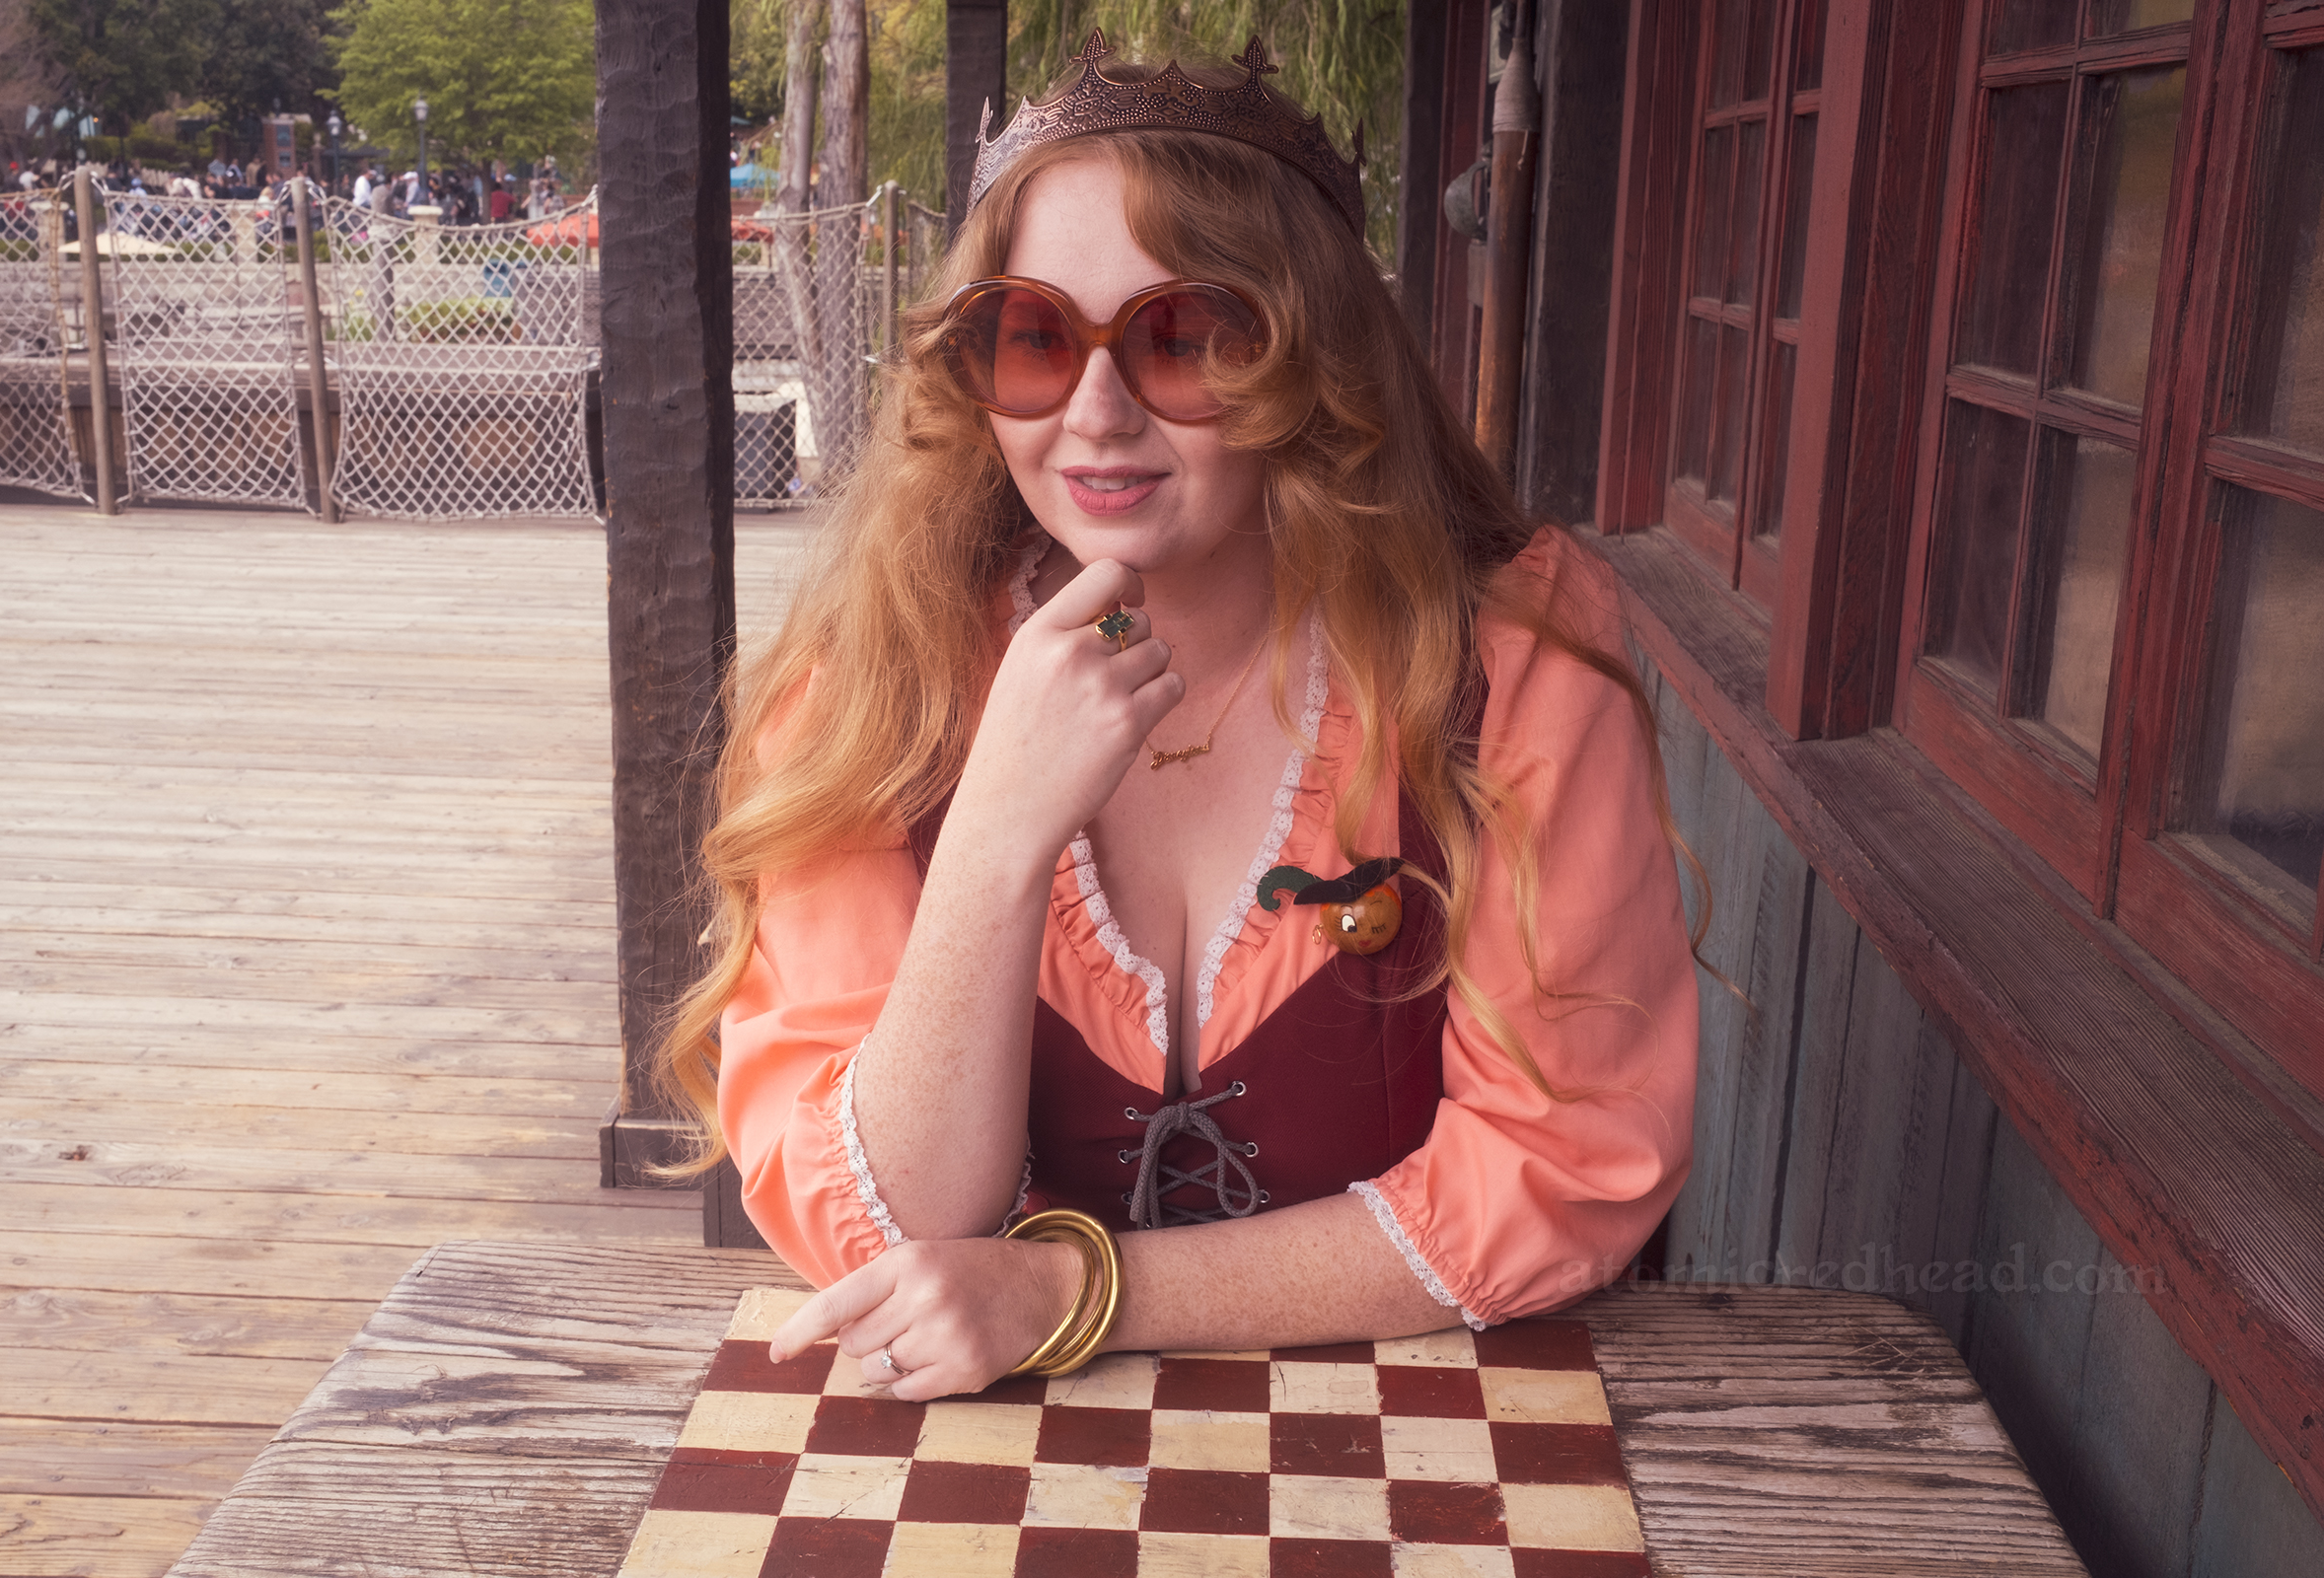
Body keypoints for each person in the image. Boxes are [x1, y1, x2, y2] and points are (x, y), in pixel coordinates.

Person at [669, 32, 1700, 1399]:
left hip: (1415, 1445)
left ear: (1314, 356)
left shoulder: (1512, 664)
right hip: (978, 1482)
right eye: (1033, 336)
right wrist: (996, 832)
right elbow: (892, 1229)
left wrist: (1085, 1290)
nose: (1096, 414)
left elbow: (1560, 1168)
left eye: (1186, 336)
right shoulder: (872, 685)